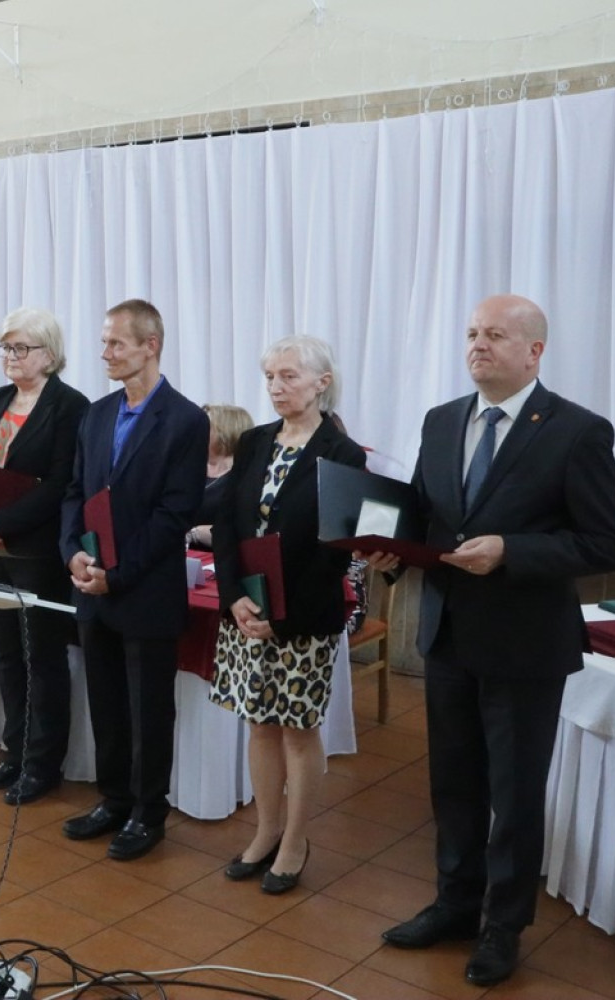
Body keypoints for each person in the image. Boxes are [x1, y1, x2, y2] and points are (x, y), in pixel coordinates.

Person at [369, 295, 615, 987]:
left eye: (495, 335)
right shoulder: (442, 419)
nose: (478, 345)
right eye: (472, 334)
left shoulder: (577, 431)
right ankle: (455, 904)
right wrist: (389, 549)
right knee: (453, 783)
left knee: (512, 795)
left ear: (535, 351)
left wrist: (512, 550)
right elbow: (424, 513)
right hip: (449, 631)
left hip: (524, 644)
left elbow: (605, 541)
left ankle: (503, 926)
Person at [210, 336, 366, 894]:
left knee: (298, 731)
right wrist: (233, 595)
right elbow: (226, 523)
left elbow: (335, 550)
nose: (276, 387)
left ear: (322, 382)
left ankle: (295, 842)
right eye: (270, 377)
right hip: (247, 609)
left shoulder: (343, 453)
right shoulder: (254, 441)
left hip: (302, 615)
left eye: (288, 376)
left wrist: (283, 614)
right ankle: (266, 832)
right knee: (259, 724)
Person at [58, 299, 209, 860]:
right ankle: (114, 798)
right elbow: (75, 492)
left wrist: (116, 576)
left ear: (151, 346)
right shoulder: (97, 414)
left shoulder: (186, 420)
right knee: (105, 703)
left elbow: (175, 515)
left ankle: (149, 813)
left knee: (149, 710)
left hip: (144, 590)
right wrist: (73, 553)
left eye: (116, 343)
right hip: (91, 584)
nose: (105, 353)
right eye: (104, 342)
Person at [0, 308, 88, 804]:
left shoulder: (69, 406)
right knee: (6, 655)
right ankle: (14, 752)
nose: (10, 357)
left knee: (42, 658)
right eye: (6, 348)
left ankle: (42, 764)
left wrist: (3, 523)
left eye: (21, 348)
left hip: (36, 551)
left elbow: (59, 485)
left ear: (49, 355)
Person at [186, 404, 253, 550]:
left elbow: (243, 530)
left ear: (227, 432)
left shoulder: (246, 477)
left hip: (218, 558)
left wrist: (194, 533)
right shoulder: (187, 468)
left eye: (205, 426)